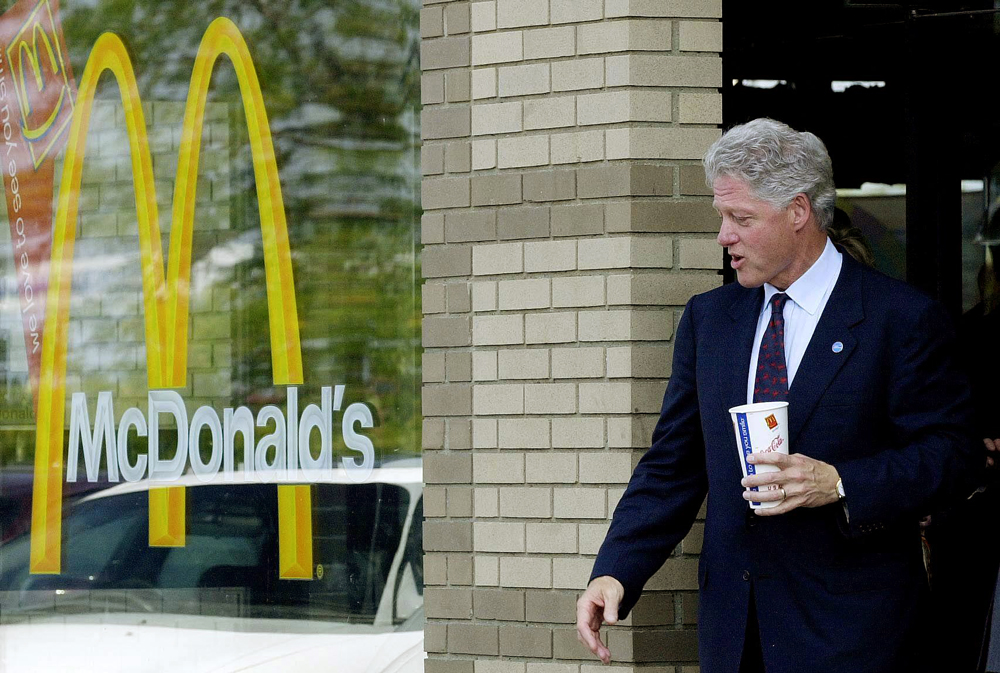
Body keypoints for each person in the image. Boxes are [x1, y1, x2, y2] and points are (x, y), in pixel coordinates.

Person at [576, 118, 980, 673]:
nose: (724, 236)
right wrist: (614, 570)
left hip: (856, 639)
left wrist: (839, 483)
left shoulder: (900, 320)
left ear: (798, 212)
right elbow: (673, 464)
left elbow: (953, 458)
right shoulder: (709, 320)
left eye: (741, 218)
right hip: (735, 639)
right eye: (722, 217)